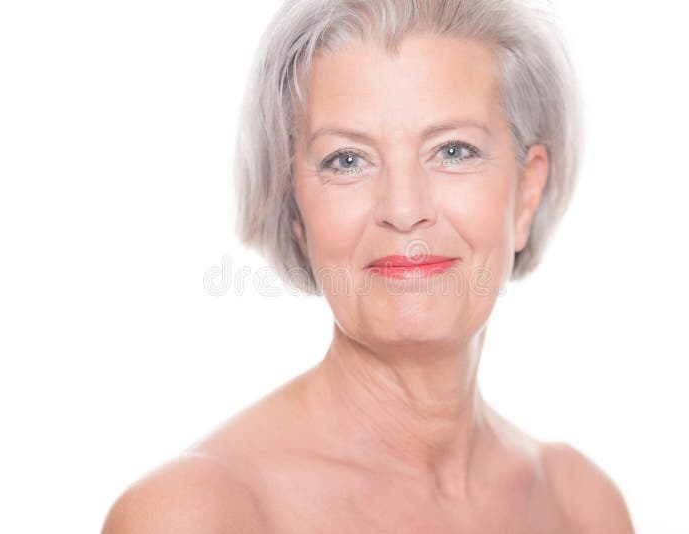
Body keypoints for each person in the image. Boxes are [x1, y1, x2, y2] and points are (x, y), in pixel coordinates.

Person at [102, 0, 636, 532]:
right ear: (295, 209)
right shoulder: (196, 515)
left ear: (526, 194)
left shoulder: (584, 507)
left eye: (453, 151)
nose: (403, 210)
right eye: (347, 160)